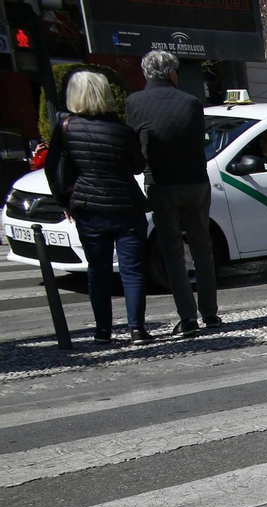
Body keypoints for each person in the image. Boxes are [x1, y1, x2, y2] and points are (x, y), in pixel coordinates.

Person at [49, 70, 153, 344]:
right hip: (126, 205)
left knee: (98, 270)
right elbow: (138, 166)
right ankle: (136, 328)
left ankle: (103, 330)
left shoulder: (65, 127)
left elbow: (53, 169)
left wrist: (65, 201)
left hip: (88, 206)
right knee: (132, 269)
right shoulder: (122, 130)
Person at [125, 49, 220, 338]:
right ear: (171, 73)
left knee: (173, 252)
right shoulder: (191, 102)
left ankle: (187, 317)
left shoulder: (134, 102)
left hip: (161, 182)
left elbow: (133, 143)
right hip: (195, 182)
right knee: (202, 248)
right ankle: (210, 313)